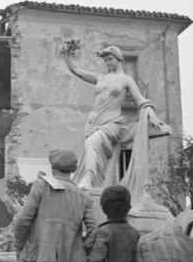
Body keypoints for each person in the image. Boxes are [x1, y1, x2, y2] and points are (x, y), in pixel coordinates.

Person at [61, 45, 171, 189]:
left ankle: (88, 179)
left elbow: (141, 101)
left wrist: (152, 116)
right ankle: (96, 182)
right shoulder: (100, 77)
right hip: (94, 122)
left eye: (110, 59)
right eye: (105, 60)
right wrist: (66, 56)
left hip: (112, 123)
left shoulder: (126, 80)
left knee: (90, 144)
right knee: (94, 152)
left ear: (119, 58)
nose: (107, 62)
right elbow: (76, 71)